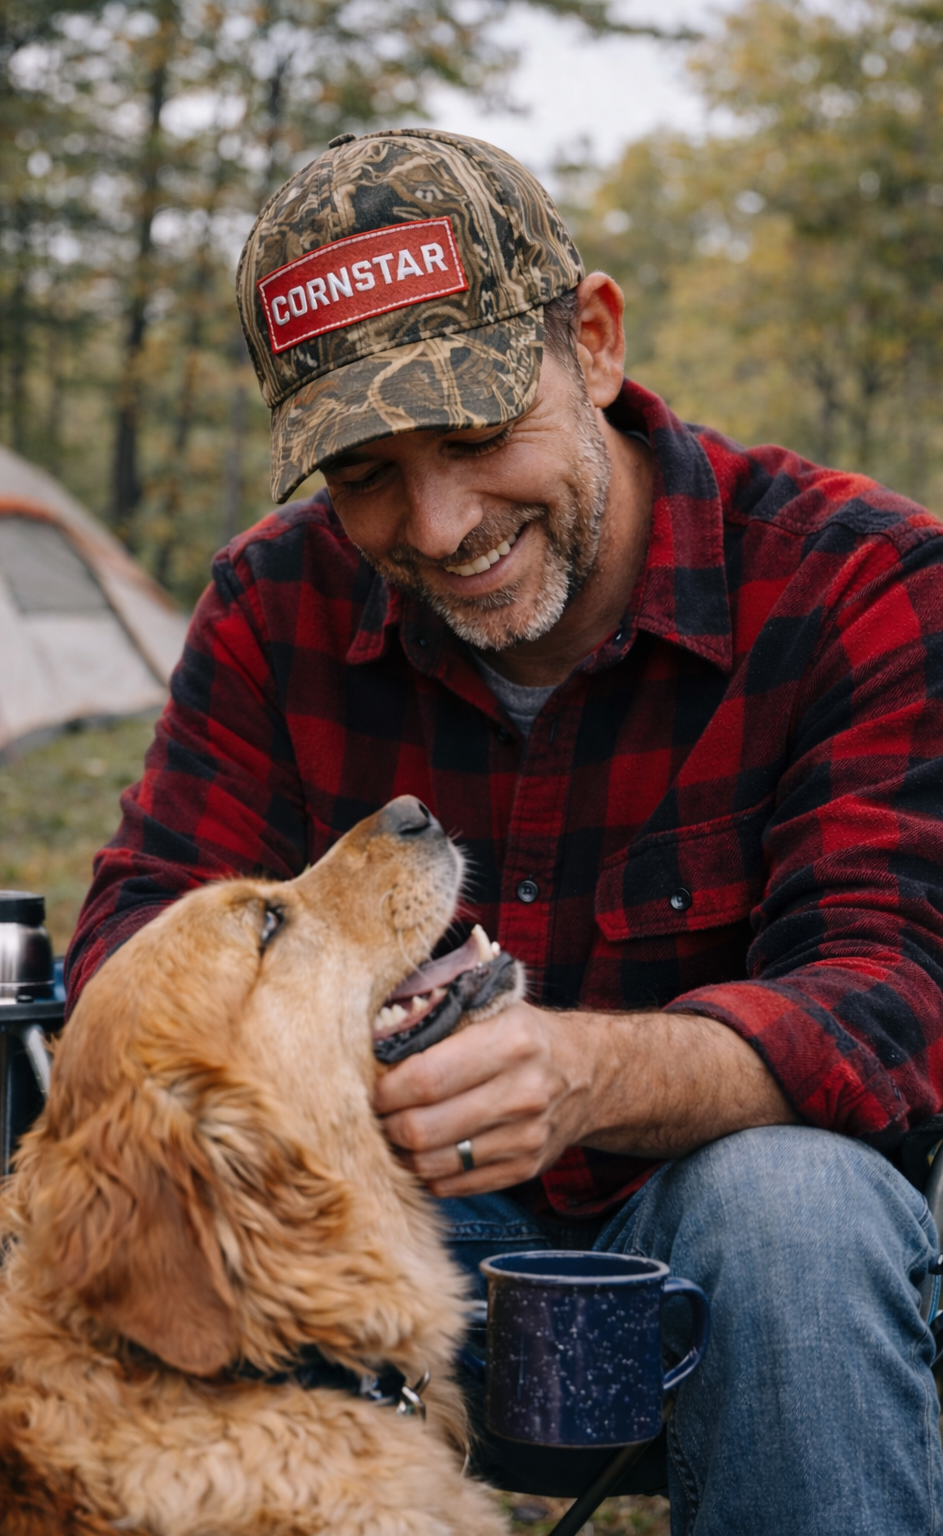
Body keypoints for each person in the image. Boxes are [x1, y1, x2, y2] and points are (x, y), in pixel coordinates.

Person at [67, 130, 943, 1533]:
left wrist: (599, 1075)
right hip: (389, 1242)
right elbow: (134, 952)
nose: (440, 522)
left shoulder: (856, 580)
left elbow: (896, 1003)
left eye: (477, 436)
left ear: (590, 345)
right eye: (365, 474)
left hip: (718, 1266)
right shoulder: (269, 605)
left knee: (800, 1209)